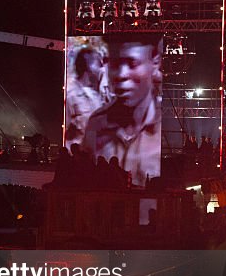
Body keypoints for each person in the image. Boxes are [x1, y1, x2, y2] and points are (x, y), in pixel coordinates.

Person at [82, 35, 162, 187]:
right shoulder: (95, 124)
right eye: (115, 64)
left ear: (155, 62)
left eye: (132, 63)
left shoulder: (163, 130)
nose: (121, 75)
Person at [65, 44, 109, 149]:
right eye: (97, 62)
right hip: (77, 156)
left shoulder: (96, 95)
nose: (101, 66)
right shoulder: (71, 95)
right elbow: (65, 130)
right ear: (87, 64)